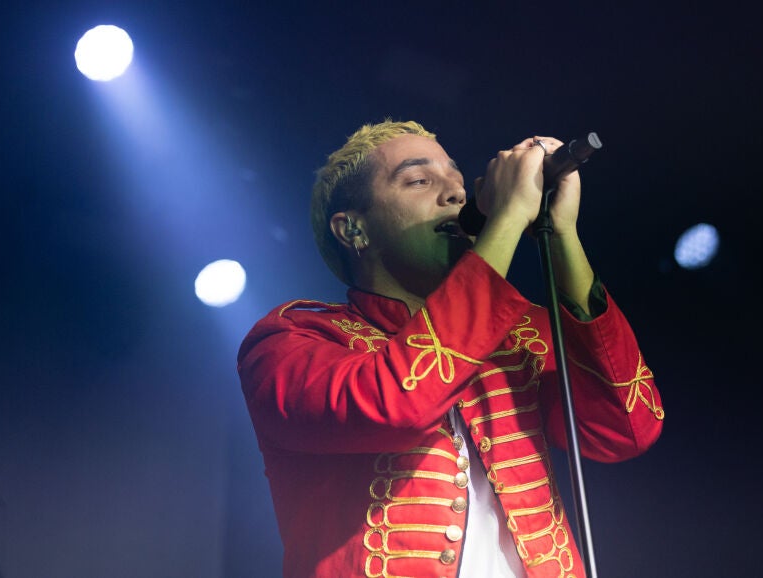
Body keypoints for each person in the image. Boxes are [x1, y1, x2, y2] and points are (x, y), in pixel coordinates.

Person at [238, 120, 664, 578]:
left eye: (457, 180)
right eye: (419, 180)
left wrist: (560, 234)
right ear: (353, 229)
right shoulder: (291, 340)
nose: (456, 194)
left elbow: (626, 429)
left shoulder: (518, 333)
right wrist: (508, 217)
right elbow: (396, 404)